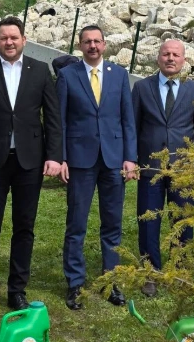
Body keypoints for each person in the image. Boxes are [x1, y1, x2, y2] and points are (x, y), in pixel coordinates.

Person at [0, 17, 63, 318]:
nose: (9, 42)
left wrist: (54, 156)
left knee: (24, 227)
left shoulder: (40, 70)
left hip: (29, 162)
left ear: (24, 39)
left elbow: (53, 118)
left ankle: (17, 291)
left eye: (14, 37)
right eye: (3, 38)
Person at [57, 25, 136, 311]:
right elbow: (61, 121)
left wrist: (130, 157)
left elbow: (127, 119)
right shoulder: (67, 76)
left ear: (104, 45)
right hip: (80, 159)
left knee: (112, 223)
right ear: (80, 45)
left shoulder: (119, 75)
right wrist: (62, 157)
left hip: (114, 159)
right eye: (87, 41)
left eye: (97, 41)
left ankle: (110, 281)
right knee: (76, 223)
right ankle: (75, 283)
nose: (92, 46)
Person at [133, 39, 194, 297]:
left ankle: (180, 270)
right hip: (150, 167)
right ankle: (151, 273)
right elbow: (132, 126)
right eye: (166, 54)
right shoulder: (142, 88)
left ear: (184, 59)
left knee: (183, 221)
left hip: (184, 168)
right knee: (148, 221)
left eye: (176, 55)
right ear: (158, 58)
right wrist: (132, 159)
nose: (170, 58)